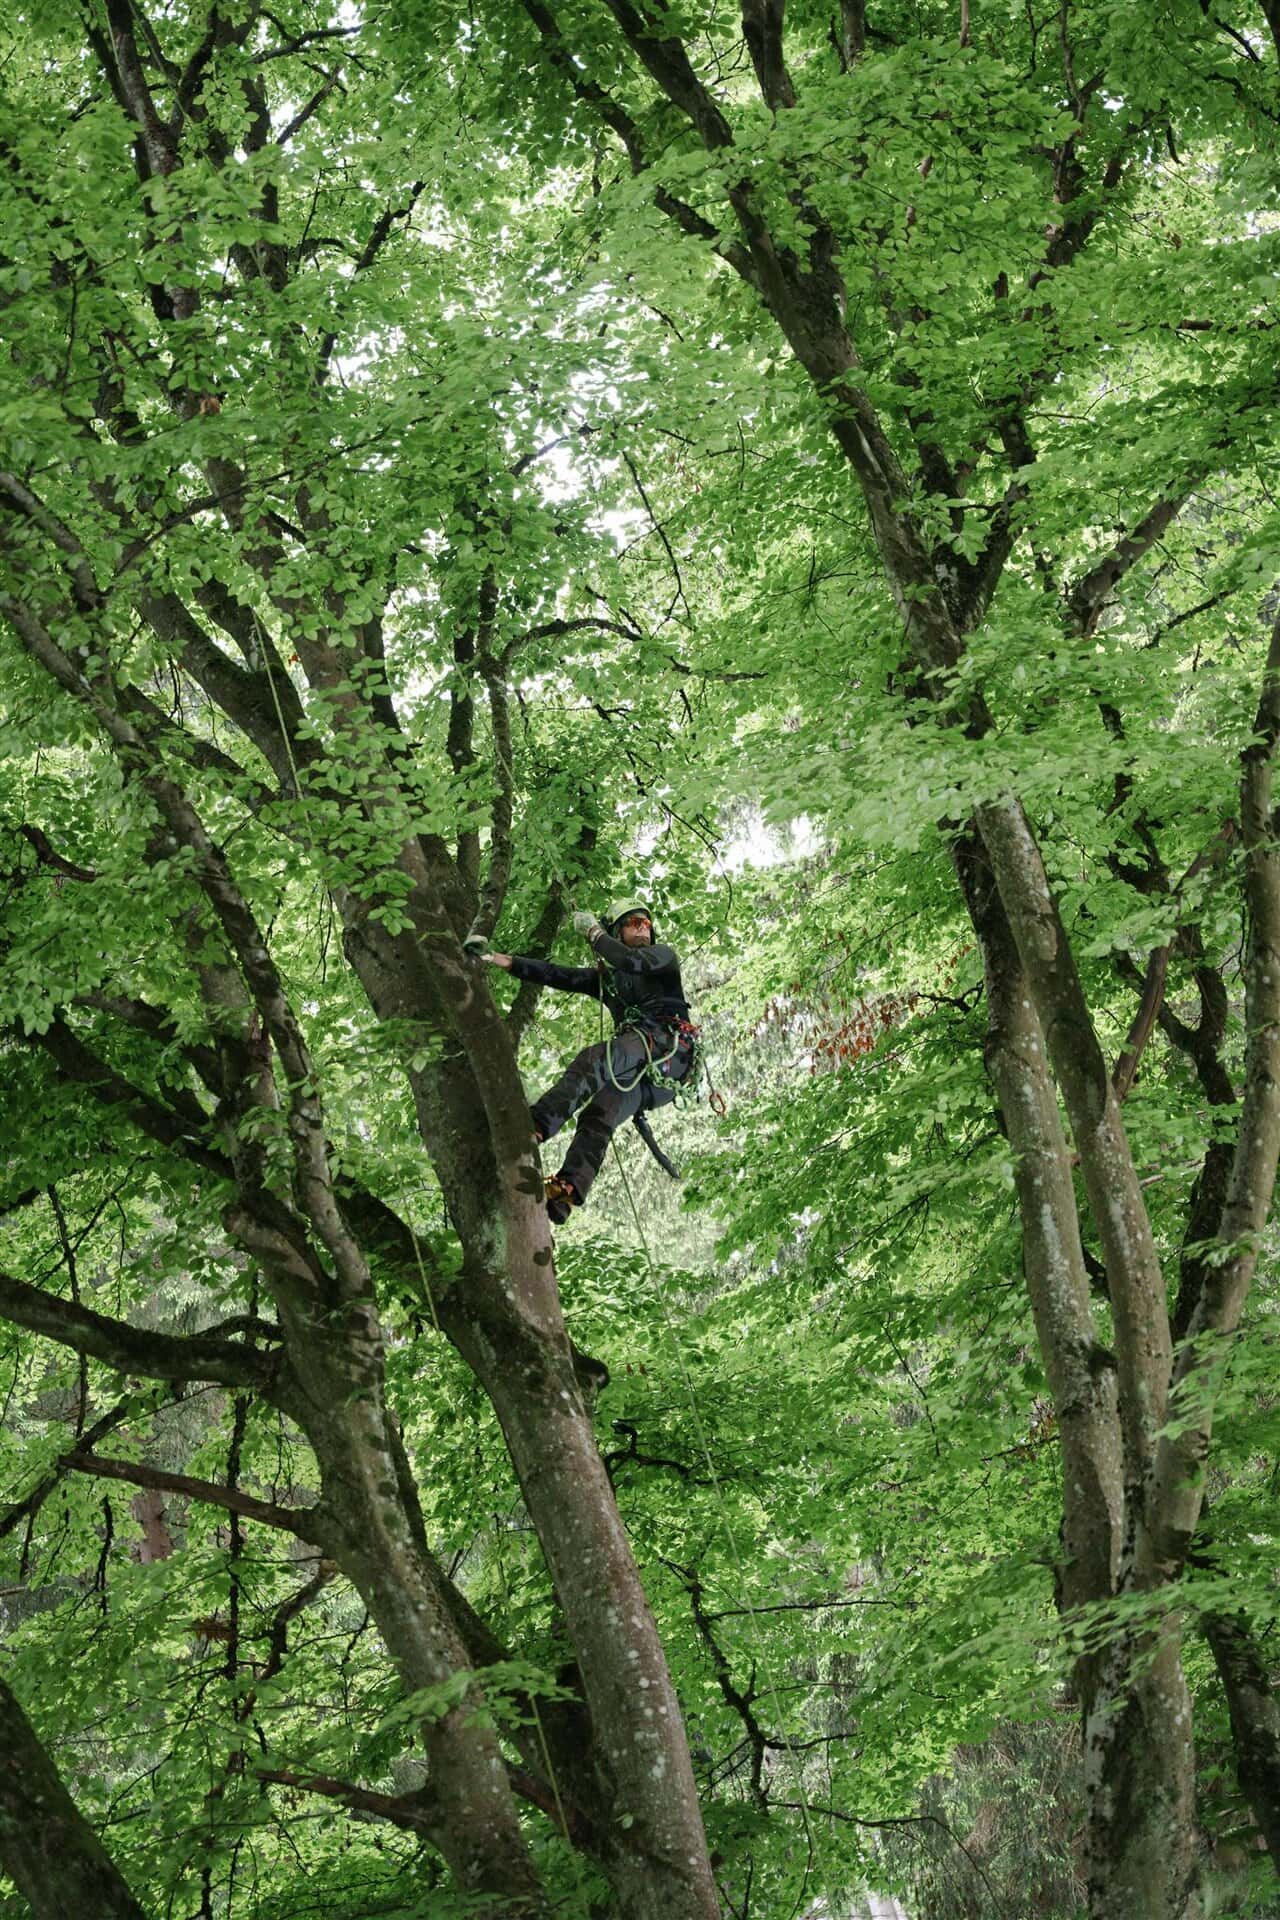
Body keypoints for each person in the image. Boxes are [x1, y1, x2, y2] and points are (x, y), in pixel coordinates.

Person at [482, 902, 696, 1223]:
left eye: (646, 923)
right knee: (600, 1112)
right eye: (633, 922)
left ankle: (535, 1126)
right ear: (618, 932)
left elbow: (631, 961)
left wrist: (594, 933)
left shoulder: (661, 956)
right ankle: (567, 1190)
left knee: (595, 1060)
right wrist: (500, 959)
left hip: (668, 1048)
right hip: (644, 1071)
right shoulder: (609, 981)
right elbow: (557, 975)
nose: (642, 927)